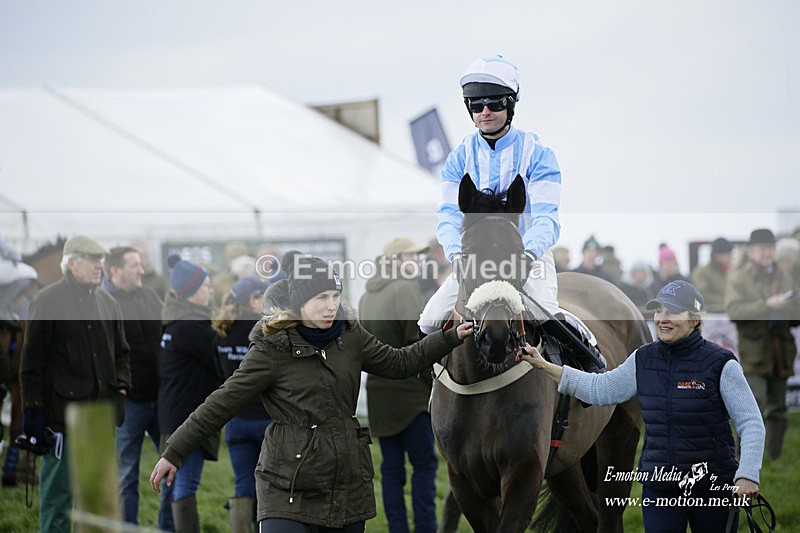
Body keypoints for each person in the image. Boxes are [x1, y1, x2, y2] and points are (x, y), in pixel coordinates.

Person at [150, 253, 473, 532]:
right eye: (321, 298)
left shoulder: (352, 336)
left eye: (335, 295)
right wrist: (174, 451)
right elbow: (222, 402)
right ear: (299, 303)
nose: (331, 305)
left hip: (347, 487)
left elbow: (400, 363)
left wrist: (448, 337)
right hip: (287, 486)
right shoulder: (272, 348)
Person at [520, 280, 765, 533]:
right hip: (660, 487)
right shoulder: (642, 359)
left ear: (694, 319)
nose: (662, 319)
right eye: (659, 311)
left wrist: (748, 474)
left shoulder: (721, 364)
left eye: (673, 312)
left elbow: (751, 422)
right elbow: (599, 389)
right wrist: (544, 365)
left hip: (712, 486)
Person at [418, 55, 604, 373]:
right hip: (474, 257)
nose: (485, 111)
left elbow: (546, 219)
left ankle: (591, 366)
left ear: (510, 104)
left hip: (526, 254)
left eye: (494, 103)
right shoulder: (458, 157)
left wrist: (526, 255)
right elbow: (448, 216)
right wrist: (456, 254)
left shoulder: (539, 155)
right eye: (476, 105)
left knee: (545, 312)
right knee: (428, 320)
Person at [20, 235, 131, 533]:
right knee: (58, 502)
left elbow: (122, 353)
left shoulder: (108, 302)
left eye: (101, 260)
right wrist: (33, 410)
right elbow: (31, 363)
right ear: (72, 264)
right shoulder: (47, 301)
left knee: (97, 503)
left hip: (100, 418)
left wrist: (121, 387)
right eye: (93, 260)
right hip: (61, 420)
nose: (100, 266)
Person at [359, 237, 438, 533]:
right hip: (412, 396)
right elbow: (418, 342)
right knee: (424, 466)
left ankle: (398, 529)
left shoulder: (366, 295)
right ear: (394, 259)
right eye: (411, 256)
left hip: (379, 395)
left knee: (391, 471)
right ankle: (426, 528)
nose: (417, 262)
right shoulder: (405, 288)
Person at [103, 246, 173, 529]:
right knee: (126, 474)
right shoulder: (102, 303)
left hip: (162, 398)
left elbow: (168, 332)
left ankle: (167, 527)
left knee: (172, 467)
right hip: (128, 402)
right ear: (115, 270)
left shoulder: (150, 295)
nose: (141, 271)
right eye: (134, 265)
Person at [158, 253, 221, 531]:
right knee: (186, 484)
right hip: (188, 418)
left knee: (171, 483)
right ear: (192, 290)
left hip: (171, 413)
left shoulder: (175, 322)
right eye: (206, 285)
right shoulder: (193, 326)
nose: (210, 290)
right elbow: (220, 359)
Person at [726, 228, 800, 461]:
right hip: (754, 354)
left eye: (770, 248)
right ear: (751, 252)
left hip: (781, 352)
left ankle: (774, 458)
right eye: (762, 248)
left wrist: (789, 305)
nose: (767, 253)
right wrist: (767, 305)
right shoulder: (739, 278)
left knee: (779, 410)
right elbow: (734, 311)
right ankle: (741, 460)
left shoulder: (784, 275)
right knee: (752, 408)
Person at [212, 274, 273, 532]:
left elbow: (220, 375)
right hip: (266, 420)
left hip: (236, 422)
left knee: (243, 486)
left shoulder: (221, 332)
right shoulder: (265, 330)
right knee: (270, 486)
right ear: (252, 299)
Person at [691, 237, 734, 313]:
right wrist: (729, 300)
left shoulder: (733, 271)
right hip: (711, 313)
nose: (731, 257)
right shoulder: (702, 272)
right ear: (717, 256)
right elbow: (703, 295)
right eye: (727, 254)